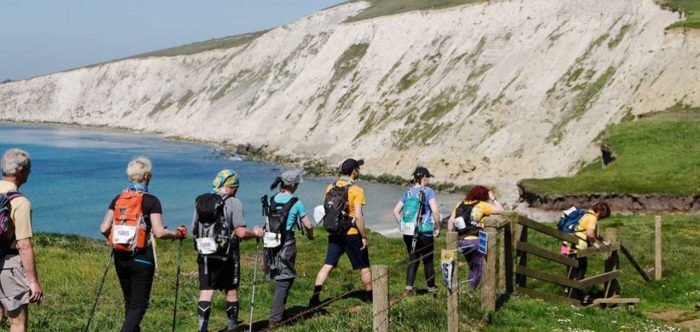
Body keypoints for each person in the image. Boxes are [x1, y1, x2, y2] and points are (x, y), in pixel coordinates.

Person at [100, 156, 187, 332]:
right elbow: (159, 232)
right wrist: (176, 234)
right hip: (142, 258)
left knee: (130, 304)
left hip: (120, 257)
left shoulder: (118, 198)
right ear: (146, 176)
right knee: (139, 307)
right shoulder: (151, 201)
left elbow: (103, 228)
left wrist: (118, 241)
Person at [192, 169, 264, 332]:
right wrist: (256, 233)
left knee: (206, 291)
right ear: (231, 187)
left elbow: (194, 227)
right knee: (231, 290)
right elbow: (241, 233)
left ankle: (202, 329)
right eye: (236, 187)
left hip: (205, 254)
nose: (237, 191)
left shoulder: (202, 201)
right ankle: (232, 328)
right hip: (228, 254)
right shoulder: (234, 203)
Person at [309, 158, 372, 307]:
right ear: (353, 171)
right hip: (351, 233)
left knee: (328, 265)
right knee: (364, 266)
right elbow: (358, 216)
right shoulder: (356, 190)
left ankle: (315, 298)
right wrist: (363, 236)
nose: (359, 171)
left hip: (335, 233)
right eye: (358, 169)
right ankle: (370, 298)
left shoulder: (330, 187)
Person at [264, 170, 314, 327]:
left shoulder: (272, 199)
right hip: (287, 242)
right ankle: (275, 321)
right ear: (293, 185)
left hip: (271, 243)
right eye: (297, 184)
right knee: (285, 279)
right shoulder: (296, 202)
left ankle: (279, 313)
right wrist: (310, 235)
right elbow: (308, 225)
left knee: (280, 275)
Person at [0, 148, 42, 332]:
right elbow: (24, 245)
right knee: (17, 322)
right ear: (20, 171)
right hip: (9, 264)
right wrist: (33, 282)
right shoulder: (20, 202)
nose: (30, 172)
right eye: (29, 168)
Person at [392, 167, 440, 296]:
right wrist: (438, 227)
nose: (428, 179)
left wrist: (403, 226)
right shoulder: (428, 191)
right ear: (424, 177)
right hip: (424, 232)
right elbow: (435, 211)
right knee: (428, 260)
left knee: (413, 259)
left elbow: (395, 211)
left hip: (409, 233)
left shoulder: (407, 193)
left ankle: (408, 289)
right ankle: (431, 289)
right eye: (428, 177)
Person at [447, 185, 503, 289]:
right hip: (476, 241)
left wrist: (451, 236)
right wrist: (493, 198)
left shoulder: (459, 204)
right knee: (478, 267)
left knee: (471, 266)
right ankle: (471, 290)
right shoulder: (481, 205)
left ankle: (463, 288)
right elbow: (500, 210)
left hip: (461, 242)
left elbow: (450, 221)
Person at [564, 202, 611, 301]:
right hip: (579, 247)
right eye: (603, 215)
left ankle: (570, 293)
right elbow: (590, 233)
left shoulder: (586, 215)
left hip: (569, 245)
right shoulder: (592, 218)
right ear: (600, 211)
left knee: (572, 270)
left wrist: (603, 241)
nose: (602, 217)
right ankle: (576, 297)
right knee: (580, 270)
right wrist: (596, 244)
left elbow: (591, 232)